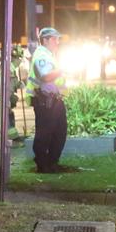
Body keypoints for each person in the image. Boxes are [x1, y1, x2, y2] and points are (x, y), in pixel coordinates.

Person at [24, 27, 67, 173]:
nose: (57, 42)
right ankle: (43, 164)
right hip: (45, 101)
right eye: (55, 39)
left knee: (59, 132)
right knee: (45, 134)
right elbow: (46, 76)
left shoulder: (50, 55)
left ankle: (52, 162)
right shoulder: (41, 55)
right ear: (45, 40)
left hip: (54, 101)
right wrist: (62, 69)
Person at [0, 45, 25, 144]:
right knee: (5, 117)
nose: (20, 62)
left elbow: (12, 82)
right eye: (20, 59)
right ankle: (12, 136)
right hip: (2, 97)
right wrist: (10, 98)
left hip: (1, 97)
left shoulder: (8, 66)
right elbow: (8, 85)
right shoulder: (8, 67)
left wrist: (18, 84)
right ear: (16, 58)